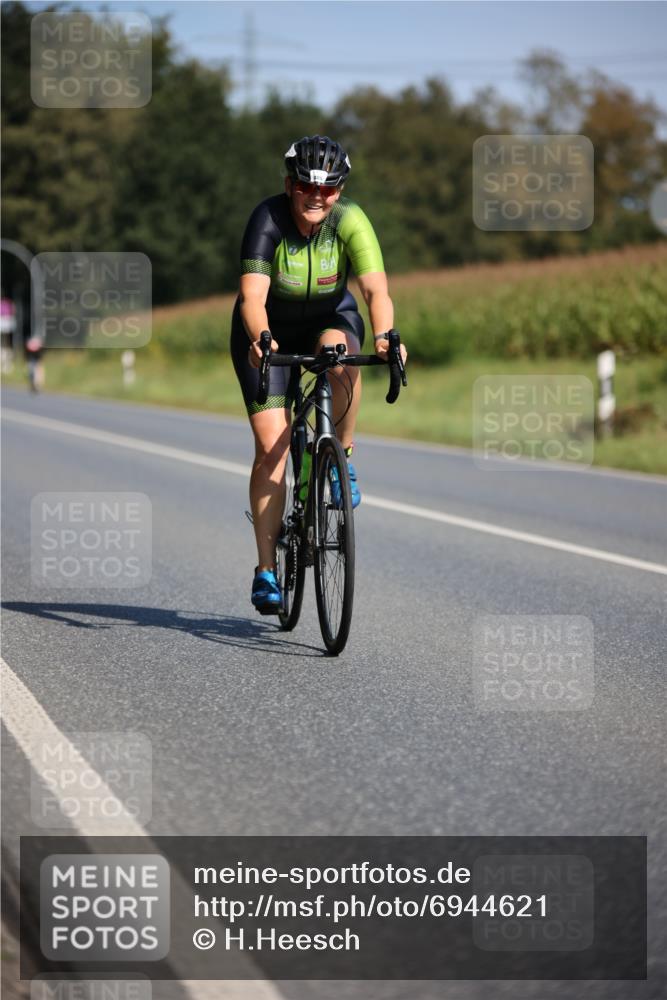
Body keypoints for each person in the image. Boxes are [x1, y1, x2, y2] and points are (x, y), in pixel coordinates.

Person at [230, 134, 407, 614]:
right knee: (272, 448)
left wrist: (386, 337)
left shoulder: (350, 220)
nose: (317, 196)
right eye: (307, 186)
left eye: (328, 188)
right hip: (267, 331)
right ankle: (266, 569)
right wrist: (261, 339)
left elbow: (375, 291)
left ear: (339, 191)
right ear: (291, 185)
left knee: (341, 355)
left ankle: (341, 455)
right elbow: (252, 297)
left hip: (330, 319)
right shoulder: (268, 219)